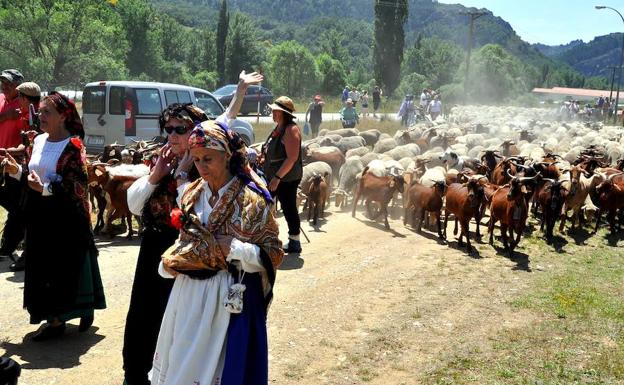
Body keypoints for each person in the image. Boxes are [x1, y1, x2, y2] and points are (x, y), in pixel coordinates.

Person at [122, 71, 263, 385]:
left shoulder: (211, 166)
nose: (171, 135)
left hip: (196, 258)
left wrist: (239, 90)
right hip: (156, 252)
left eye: (179, 129)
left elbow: (225, 119)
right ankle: (139, 375)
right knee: (144, 317)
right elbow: (133, 205)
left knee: (180, 325)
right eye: (168, 129)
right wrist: (157, 175)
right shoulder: (161, 162)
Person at [150, 120, 284, 385]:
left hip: (229, 299)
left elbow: (274, 253)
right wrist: (174, 261)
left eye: (208, 158)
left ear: (227, 155)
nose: (201, 166)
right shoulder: (190, 194)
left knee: (222, 368)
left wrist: (234, 248)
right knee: (183, 364)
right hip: (188, 296)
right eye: (197, 159)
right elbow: (186, 242)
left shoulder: (254, 199)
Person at [2, 92, 106, 341]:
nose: (41, 116)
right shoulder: (37, 141)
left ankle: (59, 320)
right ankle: (52, 317)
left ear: (63, 116)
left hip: (64, 217)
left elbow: (78, 187)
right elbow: (32, 174)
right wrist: (17, 172)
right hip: (39, 215)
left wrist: (46, 189)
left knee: (61, 267)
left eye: (47, 112)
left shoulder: (73, 147)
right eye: (40, 111)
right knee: (40, 266)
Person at [262, 96, 303, 254]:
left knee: (288, 207)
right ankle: (267, 238)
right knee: (266, 204)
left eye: (275, 110)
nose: (272, 112)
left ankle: (294, 242)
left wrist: (277, 178)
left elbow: (292, 158)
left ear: (282, 112)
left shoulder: (291, 130)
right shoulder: (279, 127)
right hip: (276, 176)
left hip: (286, 178)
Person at [0, 69, 26, 263]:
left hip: (13, 163)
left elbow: (28, 137)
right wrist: (6, 115)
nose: (4, 86)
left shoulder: (25, 104)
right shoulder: (1, 100)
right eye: (3, 82)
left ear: (18, 85)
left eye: (8, 83)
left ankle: (7, 246)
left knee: (15, 207)